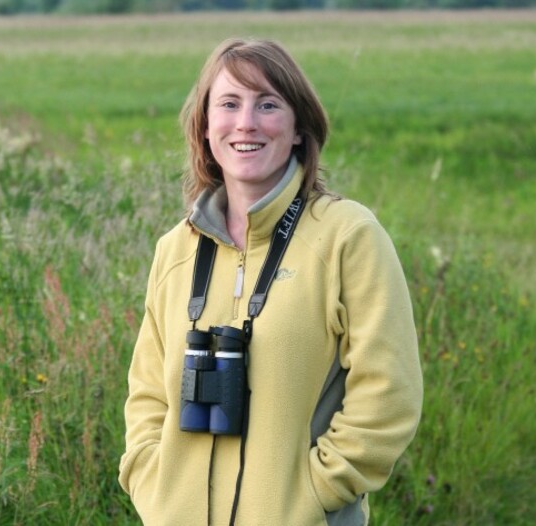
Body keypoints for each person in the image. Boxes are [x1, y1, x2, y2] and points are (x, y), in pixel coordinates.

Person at [119, 38, 423, 526]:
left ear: (300, 128)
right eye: (229, 104)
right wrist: (154, 487)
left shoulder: (347, 236)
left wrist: (314, 493)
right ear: (204, 127)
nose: (246, 123)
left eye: (267, 104)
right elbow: (147, 394)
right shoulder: (175, 250)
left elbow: (388, 392)